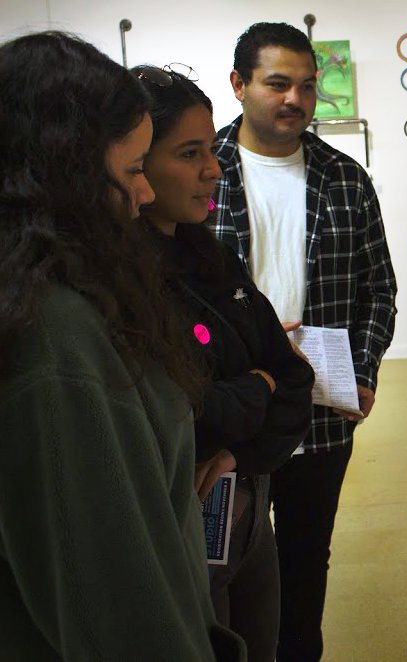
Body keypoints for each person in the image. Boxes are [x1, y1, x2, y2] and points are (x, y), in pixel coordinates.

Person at [0, 32, 245, 661]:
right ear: (67, 174)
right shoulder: (56, 342)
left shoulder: (64, 297)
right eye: (134, 169)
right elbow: (116, 605)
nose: (144, 193)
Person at [212, 22, 398, 660]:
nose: (295, 99)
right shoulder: (203, 174)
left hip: (320, 406)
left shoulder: (345, 179)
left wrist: (364, 371)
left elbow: (379, 289)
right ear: (239, 84)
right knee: (220, 564)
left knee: (304, 559)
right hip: (228, 408)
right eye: (278, 83)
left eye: (307, 86)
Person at [134, 64, 316, 662]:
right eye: (189, 154)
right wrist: (257, 386)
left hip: (244, 511)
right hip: (182, 526)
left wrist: (238, 449)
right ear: (134, 162)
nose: (213, 169)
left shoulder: (212, 260)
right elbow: (187, 414)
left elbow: (294, 377)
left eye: (209, 150)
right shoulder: (120, 284)